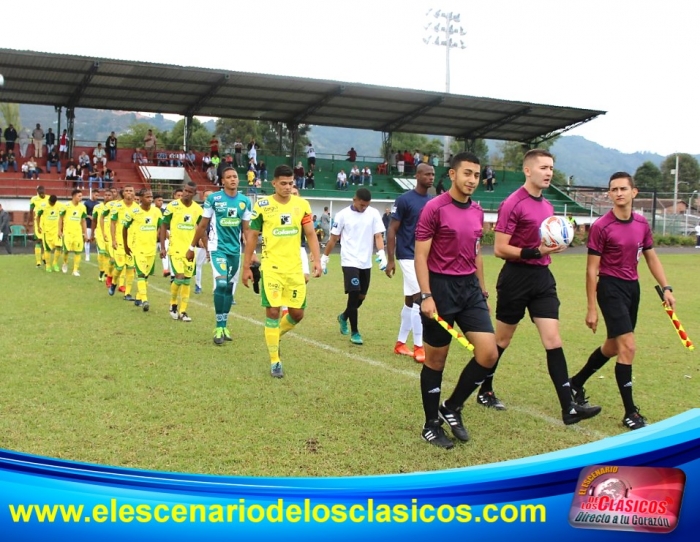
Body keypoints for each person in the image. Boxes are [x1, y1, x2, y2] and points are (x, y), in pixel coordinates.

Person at [483, 149, 601, 425]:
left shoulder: (548, 207)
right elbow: (500, 248)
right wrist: (535, 251)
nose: (549, 172)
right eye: (544, 167)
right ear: (528, 170)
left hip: (542, 279)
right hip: (515, 278)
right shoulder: (513, 203)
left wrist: (553, 247)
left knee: (553, 340)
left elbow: (545, 245)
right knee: (501, 341)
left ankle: (568, 408)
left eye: (551, 168)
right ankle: (485, 390)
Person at [570, 172, 675, 430]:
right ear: (609, 194)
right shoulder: (601, 227)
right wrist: (591, 307)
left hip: (632, 288)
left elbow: (651, 257)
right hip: (610, 288)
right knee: (628, 347)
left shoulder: (641, 224)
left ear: (633, 192)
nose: (618, 193)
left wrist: (667, 287)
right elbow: (591, 269)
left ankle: (575, 382)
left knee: (614, 346)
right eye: (613, 189)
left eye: (623, 189)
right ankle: (630, 413)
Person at [413, 152, 499, 449]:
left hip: (470, 289)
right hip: (440, 288)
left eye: (476, 175)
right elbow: (420, 255)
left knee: (488, 353)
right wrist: (426, 295)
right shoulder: (434, 209)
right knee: (436, 360)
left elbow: (477, 254)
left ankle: (451, 407)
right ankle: (430, 424)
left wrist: (483, 292)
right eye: (467, 174)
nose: (472, 180)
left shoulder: (477, 211)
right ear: (452, 175)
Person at [242, 165, 322, 378]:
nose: (287, 187)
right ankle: (275, 360)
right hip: (272, 268)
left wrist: (317, 260)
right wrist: (246, 265)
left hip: (295, 268)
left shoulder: (302, 205)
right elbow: (252, 236)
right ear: (274, 183)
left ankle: (274, 336)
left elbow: (311, 234)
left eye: (291, 183)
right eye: (283, 183)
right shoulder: (263, 205)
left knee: (297, 314)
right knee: (273, 311)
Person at [186, 167, 252, 345]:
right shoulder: (213, 199)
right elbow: (202, 225)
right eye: (229, 177)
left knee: (229, 288)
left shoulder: (245, 201)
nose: (233, 179)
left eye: (235, 177)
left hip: (234, 250)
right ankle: (218, 325)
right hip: (217, 248)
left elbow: (247, 230)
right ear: (222, 181)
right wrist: (192, 247)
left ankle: (224, 325)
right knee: (221, 283)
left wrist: (251, 253)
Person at [320, 187, 386, 346]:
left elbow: (378, 235)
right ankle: (355, 331)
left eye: (366, 205)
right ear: (354, 200)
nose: (364, 208)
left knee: (361, 297)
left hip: (366, 261)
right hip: (349, 260)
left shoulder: (374, 213)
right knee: (354, 293)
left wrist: (382, 254)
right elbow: (333, 238)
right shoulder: (342, 215)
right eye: (362, 205)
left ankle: (343, 316)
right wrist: (324, 258)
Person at [385, 163, 435, 362]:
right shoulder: (404, 199)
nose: (431, 177)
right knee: (420, 299)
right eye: (427, 174)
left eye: (433, 174)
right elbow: (392, 229)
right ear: (417, 176)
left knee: (409, 300)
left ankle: (400, 343)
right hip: (407, 255)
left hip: (424, 257)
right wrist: (390, 259)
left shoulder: (433, 201)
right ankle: (419, 347)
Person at [160, 182, 203, 322]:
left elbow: (201, 230)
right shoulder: (173, 206)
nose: (186, 193)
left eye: (190, 192)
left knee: (186, 281)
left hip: (190, 250)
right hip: (175, 249)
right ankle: (173, 304)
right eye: (185, 190)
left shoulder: (198, 209)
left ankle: (183, 311)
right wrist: (162, 247)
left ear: (194, 194)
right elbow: (163, 225)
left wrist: (207, 248)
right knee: (179, 277)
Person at [123, 189, 162, 312]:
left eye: (151, 197)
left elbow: (162, 226)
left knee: (145, 276)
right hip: (138, 248)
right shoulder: (133, 212)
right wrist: (125, 245)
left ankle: (139, 297)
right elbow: (124, 228)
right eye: (147, 197)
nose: (150, 199)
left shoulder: (156, 211)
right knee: (140, 274)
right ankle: (145, 300)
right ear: (140, 198)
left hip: (151, 248)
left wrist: (160, 242)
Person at [109, 185, 139, 300]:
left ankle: (127, 293)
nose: (129, 193)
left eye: (131, 191)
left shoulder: (137, 208)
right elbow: (112, 223)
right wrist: (113, 239)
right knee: (120, 267)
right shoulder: (117, 206)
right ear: (123, 193)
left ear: (134, 193)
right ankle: (114, 283)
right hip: (120, 242)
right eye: (126, 191)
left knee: (130, 268)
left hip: (132, 243)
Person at [58, 189, 88, 276]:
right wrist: (59, 230)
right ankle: (65, 262)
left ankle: (75, 270)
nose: (81, 198)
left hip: (78, 233)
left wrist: (85, 233)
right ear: (74, 196)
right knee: (66, 251)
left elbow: (83, 221)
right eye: (79, 196)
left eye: (81, 196)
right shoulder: (66, 206)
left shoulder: (82, 207)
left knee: (78, 251)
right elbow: (60, 219)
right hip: (67, 233)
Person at [36, 194, 64, 272]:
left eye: (54, 203)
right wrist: (38, 226)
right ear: (49, 201)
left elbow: (63, 215)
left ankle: (55, 263)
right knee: (47, 249)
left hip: (56, 231)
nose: (52, 204)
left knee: (59, 246)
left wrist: (60, 229)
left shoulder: (59, 205)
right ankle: (48, 265)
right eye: (51, 203)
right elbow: (38, 216)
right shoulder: (44, 206)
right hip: (47, 231)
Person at [194, 190, 214, 294]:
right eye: (206, 196)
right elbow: (197, 225)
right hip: (202, 240)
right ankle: (198, 285)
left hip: (215, 241)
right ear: (203, 197)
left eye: (211, 196)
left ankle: (216, 288)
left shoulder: (218, 209)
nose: (208, 198)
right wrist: (200, 239)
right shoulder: (199, 209)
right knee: (198, 264)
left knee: (216, 266)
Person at [92, 189, 113, 282]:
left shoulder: (115, 207)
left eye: (109, 195)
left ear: (112, 197)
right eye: (106, 195)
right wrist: (93, 233)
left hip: (110, 235)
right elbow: (94, 220)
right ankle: (102, 271)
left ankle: (107, 272)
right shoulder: (97, 207)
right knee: (102, 252)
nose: (107, 196)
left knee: (109, 255)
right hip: (100, 234)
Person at [29, 185, 48, 267]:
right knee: (39, 240)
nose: (42, 195)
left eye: (43, 193)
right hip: (38, 222)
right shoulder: (34, 199)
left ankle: (44, 257)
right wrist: (28, 223)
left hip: (47, 222)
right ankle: (38, 261)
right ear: (37, 193)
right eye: (40, 193)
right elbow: (30, 211)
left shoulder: (48, 198)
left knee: (46, 241)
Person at [83, 190, 100, 261]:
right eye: (96, 195)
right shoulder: (86, 203)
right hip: (88, 224)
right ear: (92, 194)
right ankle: (87, 256)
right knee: (87, 240)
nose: (97, 197)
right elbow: (83, 214)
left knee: (98, 241)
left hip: (96, 225)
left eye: (98, 195)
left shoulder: (98, 204)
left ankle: (99, 255)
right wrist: (89, 216)